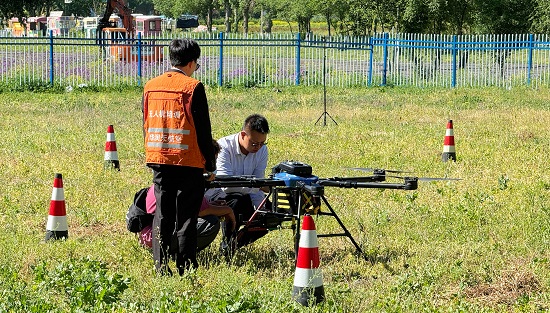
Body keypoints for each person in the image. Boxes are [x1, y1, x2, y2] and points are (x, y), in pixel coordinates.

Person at [142, 38, 216, 276]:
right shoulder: (193, 87)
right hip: (188, 161)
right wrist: (210, 164)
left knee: (162, 215)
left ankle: (160, 265)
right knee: (186, 217)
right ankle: (186, 265)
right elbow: (204, 131)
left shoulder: (150, 85)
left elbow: (145, 121)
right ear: (192, 62)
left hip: (159, 158)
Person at [215, 114, 273, 251]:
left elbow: (258, 180)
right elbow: (225, 185)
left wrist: (261, 208)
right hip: (222, 197)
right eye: (254, 143)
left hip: (247, 195)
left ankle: (236, 244)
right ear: (242, 135)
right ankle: (228, 242)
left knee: (271, 216)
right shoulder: (224, 147)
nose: (258, 147)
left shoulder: (262, 150)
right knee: (238, 201)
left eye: (262, 143)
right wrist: (255, 187)